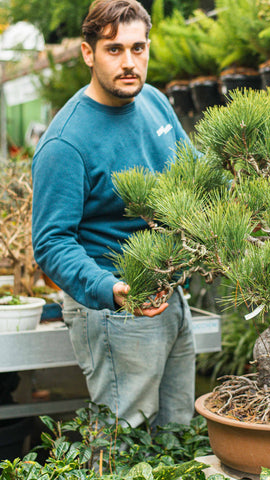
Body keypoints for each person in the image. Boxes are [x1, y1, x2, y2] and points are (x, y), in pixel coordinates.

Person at [31, 0, 196, 428]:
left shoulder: (155, 102)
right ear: (88, 53)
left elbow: (199, 175)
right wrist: (112, 288)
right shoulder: (65, 143)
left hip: (171, 294)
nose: (129, 62)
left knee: (177, 431)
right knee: (125, 444)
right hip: (115, 309)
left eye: (138, 48)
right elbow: (51, 242)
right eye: (114, 49)